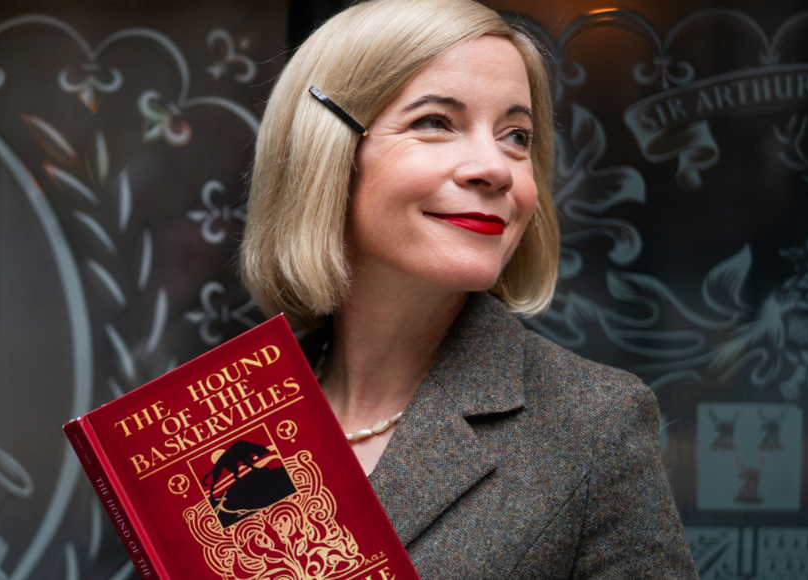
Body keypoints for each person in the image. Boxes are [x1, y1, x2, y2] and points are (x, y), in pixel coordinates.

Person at [239, 0, 699, 576]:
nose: (496, 167)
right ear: (326, 153)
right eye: (436, 122)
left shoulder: (594, 426)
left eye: (516, 135)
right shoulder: (226, 413)